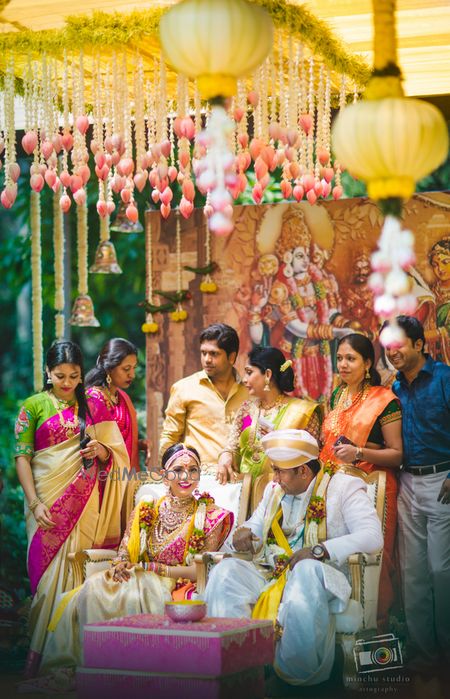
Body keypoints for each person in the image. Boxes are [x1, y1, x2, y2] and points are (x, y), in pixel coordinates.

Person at [33, 443, 233, 686]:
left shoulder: (211, 516)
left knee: (134, 591)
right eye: (178, 469)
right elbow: (125, 552)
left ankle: (125, 671)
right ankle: (92, 667)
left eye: (193, 470)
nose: (186, 477)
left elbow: (200, 569)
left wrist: (156, 569)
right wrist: (119, 565)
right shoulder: (146, 509)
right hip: (137, 574)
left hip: (170, 583)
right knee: (93, 588)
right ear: (165, 475)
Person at [204, 429, 383, 690]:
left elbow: (371, 536)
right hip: (273, 572)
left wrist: (319, 551)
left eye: (280, 471)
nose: (274, 477)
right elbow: (254, 526)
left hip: (325, 577)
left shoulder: (343, 487)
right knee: (227, 571)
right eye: (274, 470)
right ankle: (237, 666)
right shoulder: (274, 490)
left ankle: (293, 679)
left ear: (304, 472)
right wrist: (242, 534)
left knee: (306, 569)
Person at [14, 340, 129, 678]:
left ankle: (68, 654)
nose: (66, 383)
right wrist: (35, 504)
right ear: (48, 373)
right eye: (59, 376)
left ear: (82, 376)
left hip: (84, 499)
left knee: (77, 571)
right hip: (45, 502)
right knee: (47, 581)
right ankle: (41, 652)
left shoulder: (90, 408)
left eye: (74, 376)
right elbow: (23, 459)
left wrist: (102, 451)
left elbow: (114, 454)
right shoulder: (33, 406)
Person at [320, 333, 403, 630]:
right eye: (339, 358)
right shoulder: (337, 395)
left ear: (367, 363)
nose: (343, 364)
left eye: (350, 358)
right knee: (338, 553)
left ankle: (376, 628)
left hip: (374, 488)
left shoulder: (385, 400)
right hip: (335, 488)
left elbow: (396, 454)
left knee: (374, 560)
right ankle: (339, 627)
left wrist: (358, 452)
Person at [385, 315, 450, 683]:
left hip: (443, 479)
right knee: (413, 574)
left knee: (442, 571)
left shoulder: (444, 379)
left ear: (419, 345)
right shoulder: (395, 387)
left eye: (398, 344)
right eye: (387, 346)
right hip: (407, 481)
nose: (392, 352)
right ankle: (425, 653)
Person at [248, 207, 355, 403]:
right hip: (293, 354)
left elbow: (331, 312)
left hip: (321, 353)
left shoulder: (321, 280)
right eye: (299, 256)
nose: (305, 260)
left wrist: (345, 324)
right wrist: (334, 333)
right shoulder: (280, 288)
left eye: (306, 254)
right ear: (287, 256)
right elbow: (296, 327)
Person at [216, 346, 320, 483]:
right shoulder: (246, 409)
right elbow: (232, 446)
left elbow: (311, 460)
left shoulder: (302, 412)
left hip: (283, 493)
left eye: (249, 372)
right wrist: (226, 455)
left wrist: (277, 441)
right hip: (245, 491)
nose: (244, 379)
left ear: (268, 375)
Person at [159, 323, 248, 471]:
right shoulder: (184, 388)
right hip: (197, 479)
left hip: (239, 481)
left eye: (214, 354)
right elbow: (169, 438)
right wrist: (171, 474)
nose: (206, 359)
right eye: (203, 353)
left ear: (231, 357)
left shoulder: (249, 392)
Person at [86, 338, 148, 472]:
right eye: (126, 369)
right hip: (101, 480)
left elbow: (123, 445)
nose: (132, 374)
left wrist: (142, 445)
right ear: (109, 368)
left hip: (124, 476)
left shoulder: (123, 398)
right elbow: (90, 446)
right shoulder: (94, 400)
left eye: (133, 368)